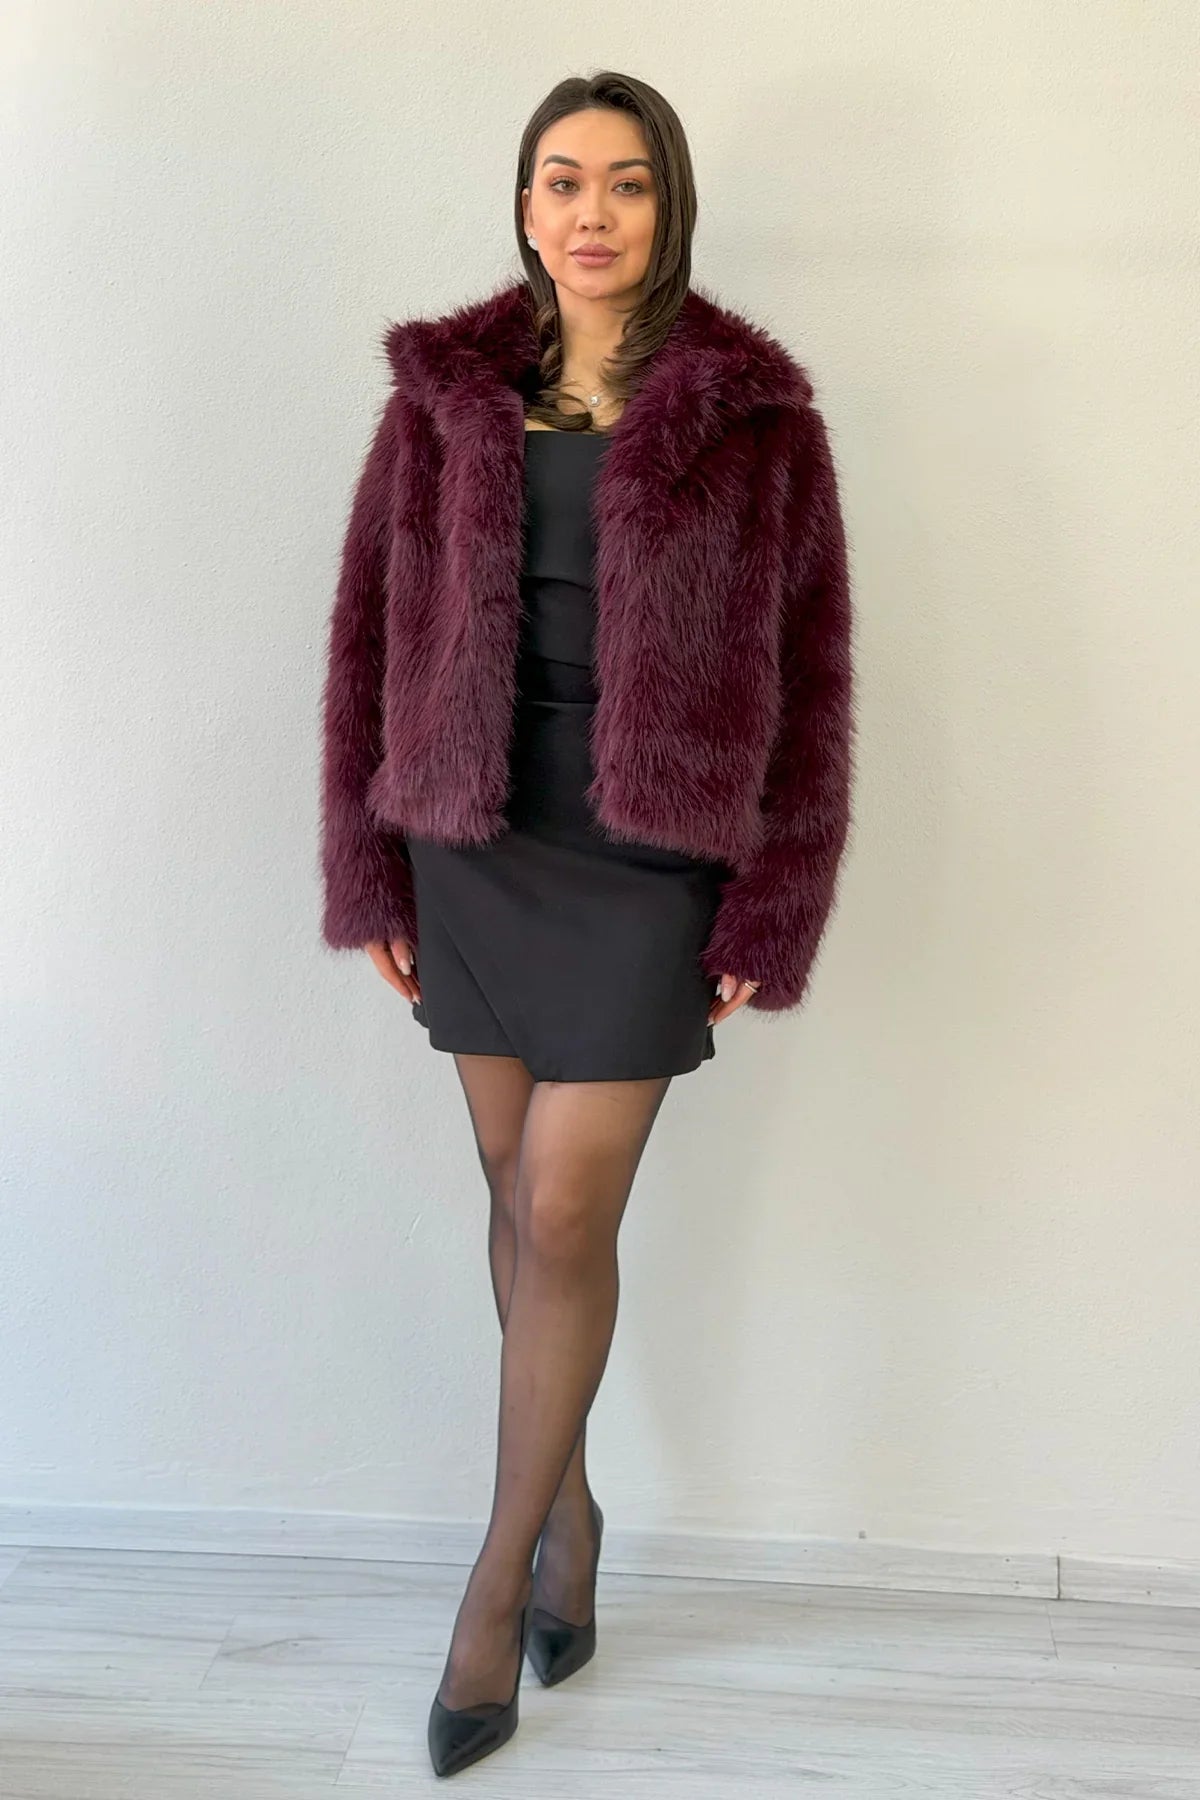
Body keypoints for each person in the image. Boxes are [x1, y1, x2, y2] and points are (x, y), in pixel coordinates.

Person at [318, 70, 854, 1779]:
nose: (592, 211)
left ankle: (497, 1587)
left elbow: (813, 671)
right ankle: (571, 1510)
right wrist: (368, 864)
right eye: (563, 180)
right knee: (509, 1187)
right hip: (472, 834)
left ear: (668, 206)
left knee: (563, 1202)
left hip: (647, 855)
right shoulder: (444, 403)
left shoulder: (756, 420)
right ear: (525, 205)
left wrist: (778, 893)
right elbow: (364, 634)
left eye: (626, 182)